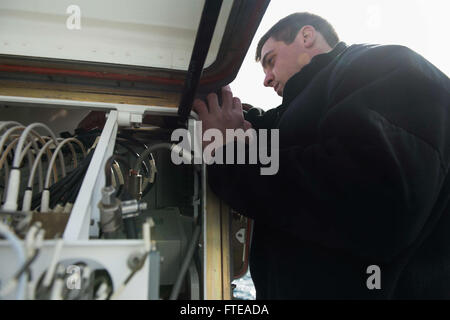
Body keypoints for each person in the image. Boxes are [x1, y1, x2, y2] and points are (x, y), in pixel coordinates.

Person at [192, 12, 450, 299]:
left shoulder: (387, 64)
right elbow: (282, 142)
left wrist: (229, 156)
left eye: (270, 60)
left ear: (306, 36)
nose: (266, 79)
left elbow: (376, 195)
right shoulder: (302, 109)